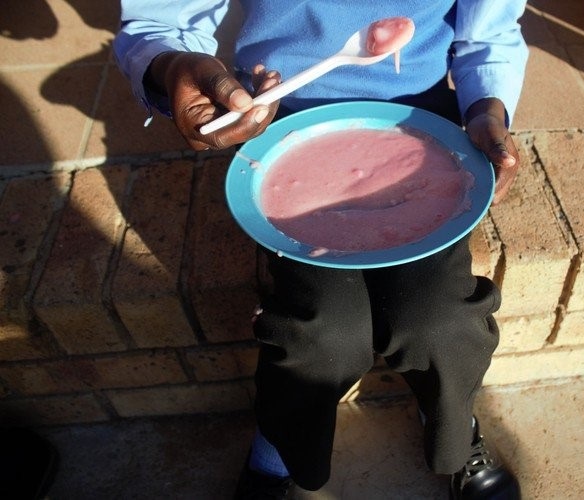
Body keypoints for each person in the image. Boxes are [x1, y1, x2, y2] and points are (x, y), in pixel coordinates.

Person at [114, 1, 528, 498]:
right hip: (282, 122)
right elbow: (162, 22)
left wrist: (487, 109)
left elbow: (488, 36)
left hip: (423, 133)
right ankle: (279, 451)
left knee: (441, 322)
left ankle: (452, 426)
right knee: (320, 335)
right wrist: (171, 64)